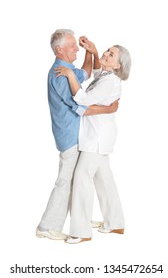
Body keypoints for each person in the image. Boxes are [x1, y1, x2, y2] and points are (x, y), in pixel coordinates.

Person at [36, 29, 119, 240]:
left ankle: (81, 219)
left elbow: (86, 73)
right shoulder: (60, 74)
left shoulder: (67, 69)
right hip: (69, 136)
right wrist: (108, 109)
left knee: (80, 179)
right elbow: (79, 105)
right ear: (59, 50)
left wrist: (89, 52)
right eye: (73, 46)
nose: (76, 48)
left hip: (80, 135)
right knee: (66, 181)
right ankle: (47, 226)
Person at [56, 38, 131, 243]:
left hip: (97, 138)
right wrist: (94, 50)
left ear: (118, 65)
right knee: (104, 179)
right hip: (99, 136)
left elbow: (82, 100)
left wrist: (71, 74)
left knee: (82, 177)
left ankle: (80, 231)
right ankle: (115, 223)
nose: (106, 54)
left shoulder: (110, 82)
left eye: (111, 54)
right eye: (108, 50)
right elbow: (97, 72)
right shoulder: (106, 76)